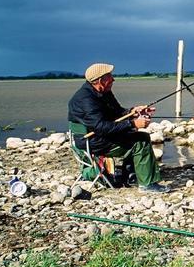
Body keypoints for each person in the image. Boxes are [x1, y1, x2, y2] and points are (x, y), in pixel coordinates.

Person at [68, 63, 169, 193]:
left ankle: (131, 176)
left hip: (98, 136)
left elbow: (118, 112)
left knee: (134, 135)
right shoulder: (85, 99)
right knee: (141, 140)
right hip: (92, 141)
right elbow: (100, 127)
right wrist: (133, 124)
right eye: (110, 76)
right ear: (100, 80)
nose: (113, 79)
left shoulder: (103, 91)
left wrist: (134, 111)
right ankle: (147, 185)